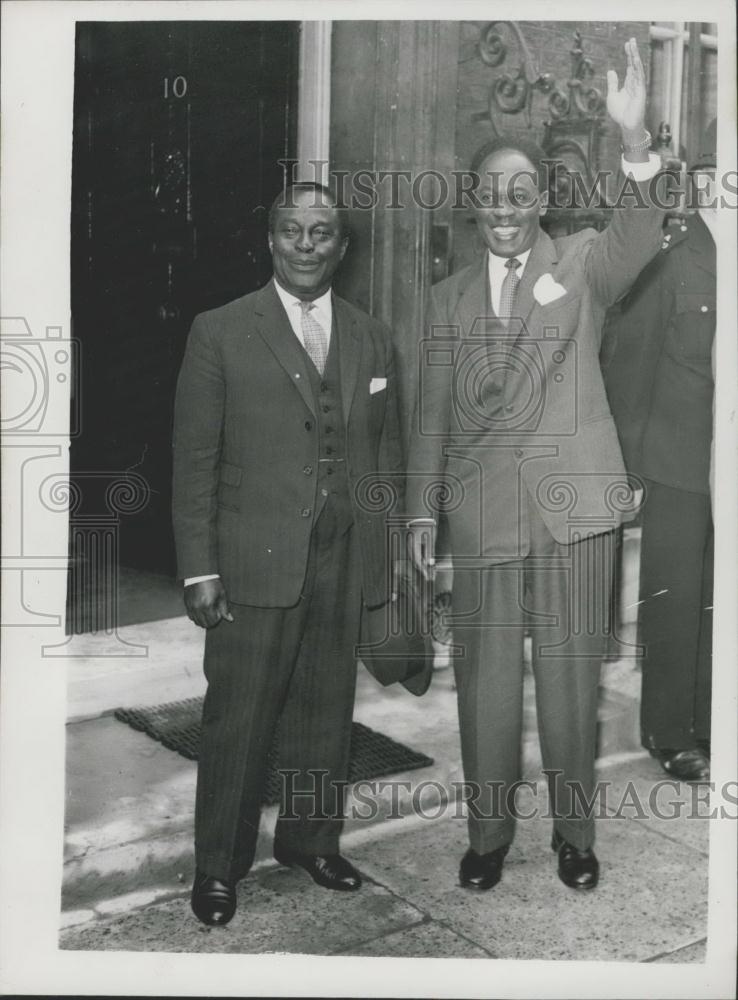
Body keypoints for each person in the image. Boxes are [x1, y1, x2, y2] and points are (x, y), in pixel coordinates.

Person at [405, 39, 665, 892]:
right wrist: (418, 516)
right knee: (482, 691)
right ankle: (487, 838)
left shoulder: (582, 261)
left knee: (568, 683)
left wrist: (635, 146)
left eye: (523, 192)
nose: (508, 208)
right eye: (493, 195)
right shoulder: (444, 299)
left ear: (540, 199)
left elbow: (637, 234)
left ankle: (575, 837)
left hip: (575, 510)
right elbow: (429, 418)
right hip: (484, 516)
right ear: (475, 206)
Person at [172, 182, 403, 925]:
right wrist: (200, 566)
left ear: (343, 245)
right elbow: (194, 458)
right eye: (291, 230)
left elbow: (383, 456)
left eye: (322, 232)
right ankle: (218, 867)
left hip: (341, 557)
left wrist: (383, 559)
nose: (306, 245)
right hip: (252, 562)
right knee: (238, 720)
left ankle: (309, 841)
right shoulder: (221, 329)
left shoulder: (371, 335)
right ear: (270, 240)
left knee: (325, 714)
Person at [601, 120, 717, 782]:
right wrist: (627, 466)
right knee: (677, 595)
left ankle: (714, 716)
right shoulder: (672, 254)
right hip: (677, 456)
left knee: (720, 596)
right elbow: (632, 363)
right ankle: (671, 731)